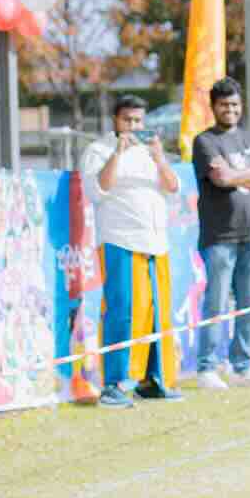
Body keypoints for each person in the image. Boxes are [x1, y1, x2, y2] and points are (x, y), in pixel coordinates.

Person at [80, 96, 183, 405]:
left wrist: (160, 159)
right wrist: (117, 154)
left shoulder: (150, 153)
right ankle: (113, 383)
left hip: (156, 243)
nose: (134, 127)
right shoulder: (98, 150)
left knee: (156, 312)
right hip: (120, 240)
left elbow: (173, 186)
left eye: (138, 121)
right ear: (115, 121)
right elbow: (98, 189)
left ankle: (152, 379)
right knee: (122, 311)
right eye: (128, 121)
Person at [191, 77, 250, 388]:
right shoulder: (205, 142)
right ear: (213, 107)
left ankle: (242, 366)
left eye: (235, 105)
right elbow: (220, 179)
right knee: (216, 302)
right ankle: (207, 368)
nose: (230, 110)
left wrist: (238, 175)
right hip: (219, 235)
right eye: (224, 105)